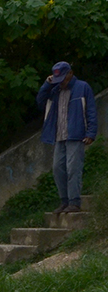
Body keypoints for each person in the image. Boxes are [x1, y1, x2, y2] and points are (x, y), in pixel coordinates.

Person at [37, 61, 97, 213]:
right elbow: (40, 101)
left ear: (70, 73)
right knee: (58, 169)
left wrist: (91, 133)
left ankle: (74, 201)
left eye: (63, 77)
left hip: (76, 135)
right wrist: (47, 84)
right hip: (59, 136)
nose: (61, 81)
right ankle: (64, 201)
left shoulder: (82, 87)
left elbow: (91, 111)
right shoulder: (54, 90)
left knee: (73, 168)